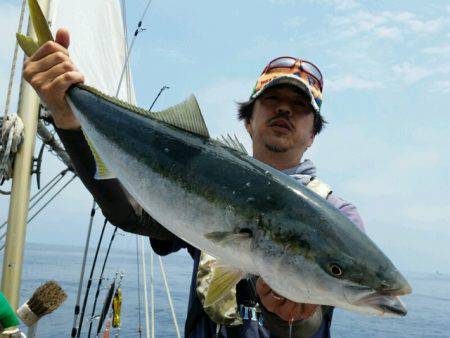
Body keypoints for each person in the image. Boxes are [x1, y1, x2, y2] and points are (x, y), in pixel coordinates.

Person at [23, 28, 364, 338]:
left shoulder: (337, 217)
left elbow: (318, 317)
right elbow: (130, 213)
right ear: (248, 120)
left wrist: (294, 318)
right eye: (272, 101)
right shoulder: (203, 174)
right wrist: (67, 119)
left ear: (313, 134)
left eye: (300, 107)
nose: (285, 111)